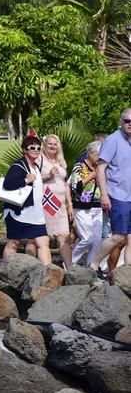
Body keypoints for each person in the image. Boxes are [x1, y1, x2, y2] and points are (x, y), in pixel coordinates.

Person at [89, 109, 131, 275]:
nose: (130, 124)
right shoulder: (113, 140)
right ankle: (94, 264)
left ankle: (128, 273)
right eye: (127, 121)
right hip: (117, 195)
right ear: (121, 122)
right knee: (119, 236)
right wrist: (104, 195)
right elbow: (100, 168)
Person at [1, 135, 51, 265]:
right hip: (18, 212)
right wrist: (25, 180)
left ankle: (48, 272)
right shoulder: (18, 165)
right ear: (25, 150)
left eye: (38, 148)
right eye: (32, 147)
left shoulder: (36, 166)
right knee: (13, 242)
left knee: (43, 242)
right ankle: (8, 271)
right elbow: (8, 184)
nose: (36, 150)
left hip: (36, 213)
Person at [38, 134, 72, 268]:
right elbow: (32, 179)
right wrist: (48, 175)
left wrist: (69, 204)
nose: (52, 146)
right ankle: (46, 268)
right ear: (44, 145)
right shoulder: (39, 160)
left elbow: (65, 184)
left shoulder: (61, 162)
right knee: (42, 237)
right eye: (50, 144)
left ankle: (69, 267)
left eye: (55, 144)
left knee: (64, 236)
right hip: (46, 202)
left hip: (61, 204)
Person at [69, 141, 102, 267]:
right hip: (82, 207)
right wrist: (92, 175)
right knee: (87, 238)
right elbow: (74, 187)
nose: (100, 157)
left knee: (97, 241)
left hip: (98, 207)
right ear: (89, 153)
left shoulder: (101, 167)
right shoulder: (79, 167)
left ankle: (91, 267)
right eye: (97, 154)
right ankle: (70, 262)